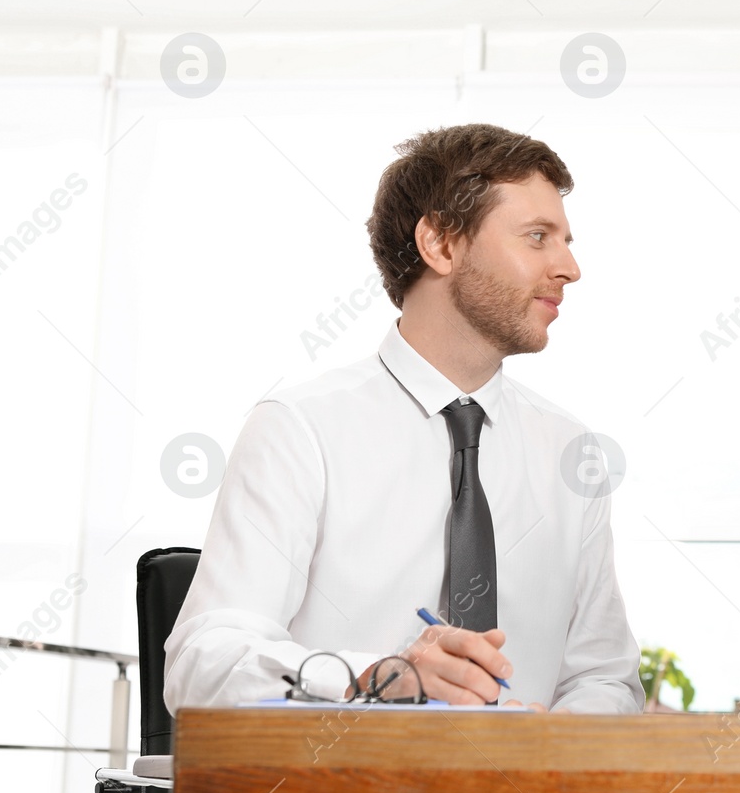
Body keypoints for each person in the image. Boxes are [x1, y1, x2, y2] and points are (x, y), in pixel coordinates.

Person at [164, 124, 643, 712]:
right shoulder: (300, 429)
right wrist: (377, 677)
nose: (569, 267)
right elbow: (204, 663)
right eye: (538, 236)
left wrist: (545, 749)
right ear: (441, 244)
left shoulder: (572, 452)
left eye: (566, 239)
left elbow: (604, 679)